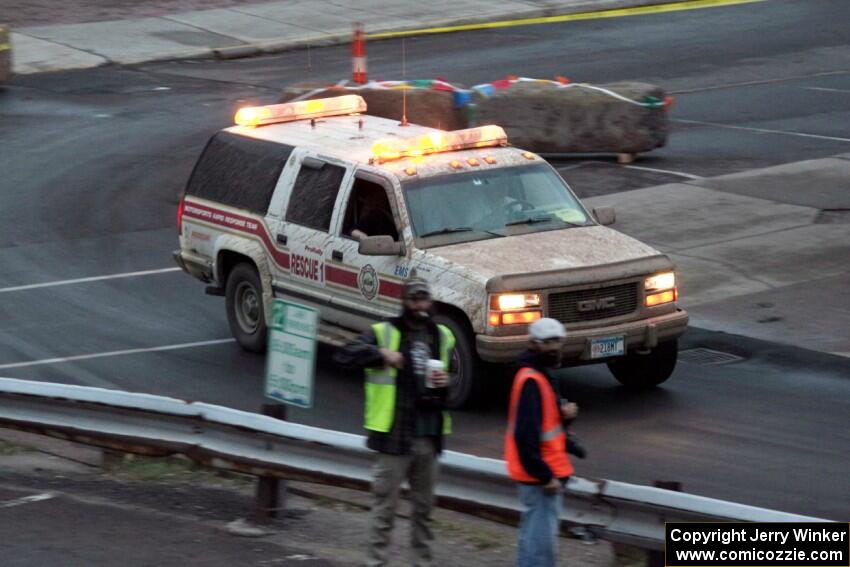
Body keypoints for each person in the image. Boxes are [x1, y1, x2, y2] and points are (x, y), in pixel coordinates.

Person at [333, 277, 455, 567]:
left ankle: (421, 563)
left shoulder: (442, 336)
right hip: (393, 439)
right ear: (404, 302)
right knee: (384, 512)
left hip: (428, 438)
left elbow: (452, 389)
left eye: (424, 299)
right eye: (414, 299)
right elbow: (343, 354)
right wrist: (380, 354)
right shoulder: (384, 332)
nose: (420, 305)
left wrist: (446, 381)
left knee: (424, 512)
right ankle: (376, 562)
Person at [504, 318, 578, 567]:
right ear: (534, 344)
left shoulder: (540, 376)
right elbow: (525, 437)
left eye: (557, 340)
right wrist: (545, 476)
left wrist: (565, 417)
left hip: (542, 474)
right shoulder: (532, 381)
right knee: (540, 550)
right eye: (548, 342)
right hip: (539, 478)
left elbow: (546, 428)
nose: (554, 347)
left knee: (534, 543)